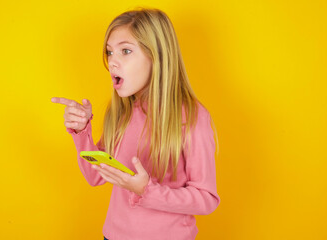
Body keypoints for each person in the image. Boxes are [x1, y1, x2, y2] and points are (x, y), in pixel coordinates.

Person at [52, 8, 220, 240]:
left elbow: (206, 199)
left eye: (126, 51)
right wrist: (82, 132)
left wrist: (147, 190)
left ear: (157, 56)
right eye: (109, 52)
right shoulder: (122, 112)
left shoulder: (192, 116)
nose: (112, 62)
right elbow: (96, 176)